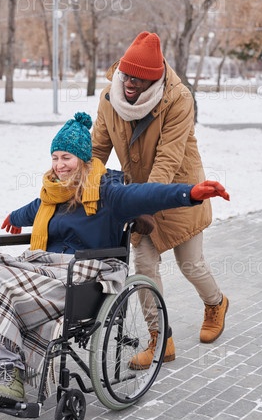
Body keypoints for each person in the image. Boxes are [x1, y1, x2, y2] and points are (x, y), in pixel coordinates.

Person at [0, 112, 229, 406]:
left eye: (67, 157)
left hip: (81, 277)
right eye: (55, 157)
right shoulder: (53, 194)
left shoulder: (108, 192)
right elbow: (33, 209)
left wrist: (190, 193)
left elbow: (147, 194)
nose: (59, 165)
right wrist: (14, 218)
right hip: (42, 267)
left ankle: (9, 372)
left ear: (84, 160)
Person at [91, 31, 230, 368]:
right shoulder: (110, 98)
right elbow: (97, 150)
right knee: (144, 265)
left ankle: (216, 303)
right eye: (127, 75)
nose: (130, 83)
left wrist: (144, 201)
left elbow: (169, 157)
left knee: (190, 263)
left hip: (181, 191)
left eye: (139, 79)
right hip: (140, 193)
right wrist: (81, 185)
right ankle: (160, 338)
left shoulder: (178, 99)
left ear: (154, 80)